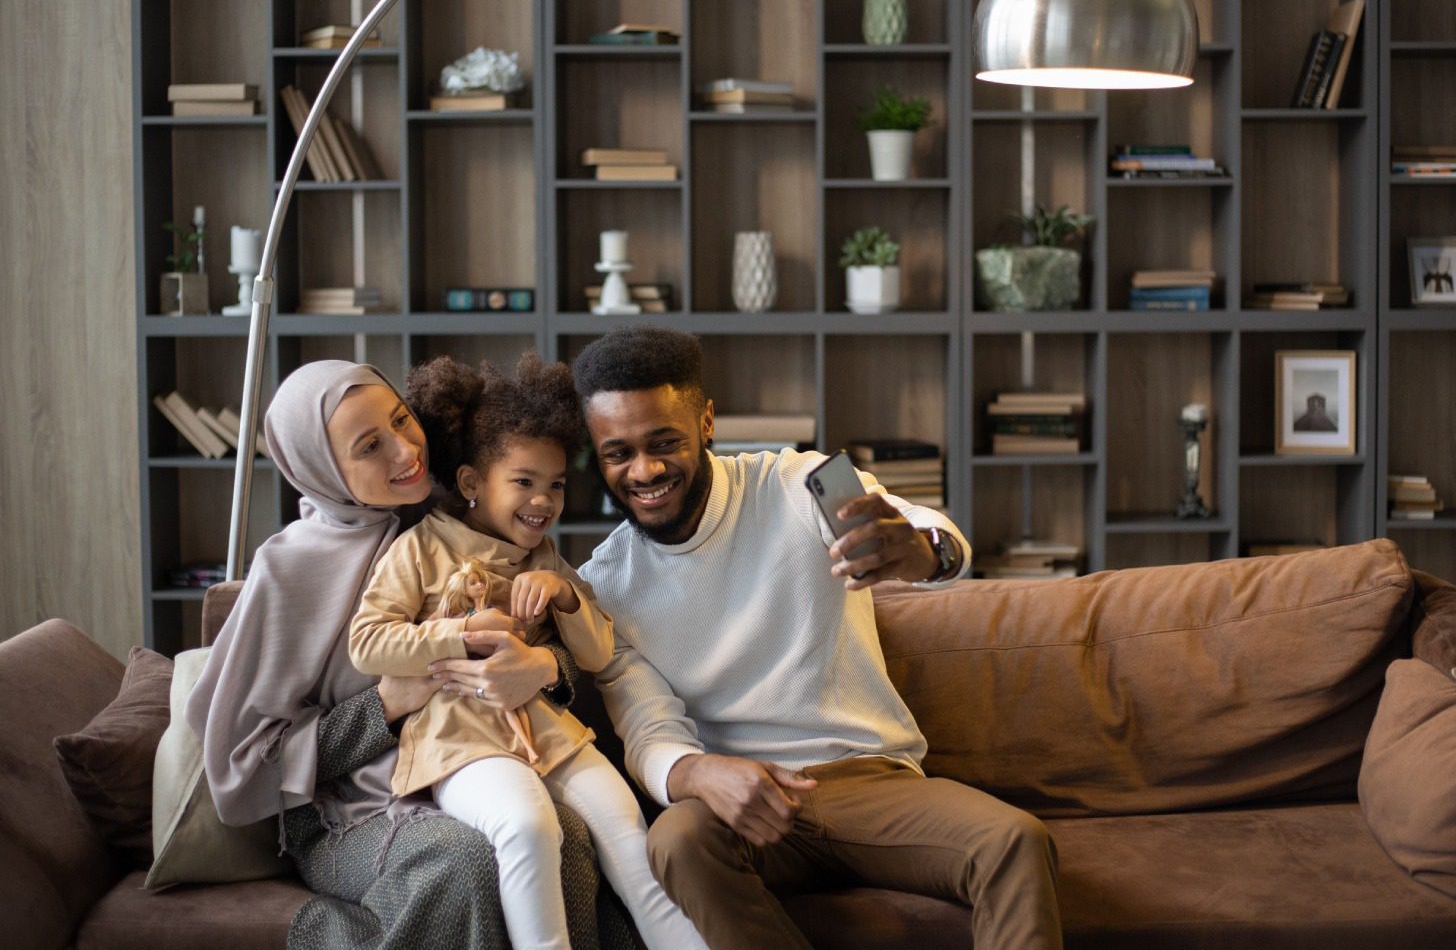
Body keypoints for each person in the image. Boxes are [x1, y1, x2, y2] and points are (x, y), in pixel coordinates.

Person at [573, 327, 1063, 950]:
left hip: (869, 780)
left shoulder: (799, 483)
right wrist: (698, 773)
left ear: (706, 421)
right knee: (675, 839)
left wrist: (920, 552)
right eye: (618, 452)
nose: (644, 470)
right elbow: (647, 727)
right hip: (751, 806)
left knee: (1016, 841)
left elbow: (921, 527)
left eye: (664, 442)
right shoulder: (606, 587)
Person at [186, 360, 629, 950]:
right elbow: (247, 766)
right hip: (345, 813)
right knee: (464, 858)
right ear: (323, 470)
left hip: (468, 765)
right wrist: (386, 706)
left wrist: (545, 668)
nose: (405, 451)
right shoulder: (289, 573)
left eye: (401, 419)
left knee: (569, 837)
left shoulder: (455, 517)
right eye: (371, 445)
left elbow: (557, 630)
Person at [349, 353, 705, 950]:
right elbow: (367, 642)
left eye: (557, 485)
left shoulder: (546, 560)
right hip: (459, 744)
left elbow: (597, 655)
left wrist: (566, 597)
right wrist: (460, 634)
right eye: (524, 482)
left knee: (626, 827)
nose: (544, 501)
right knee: (528, 825)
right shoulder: (419, 550)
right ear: (471, 484)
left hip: (550, 736)